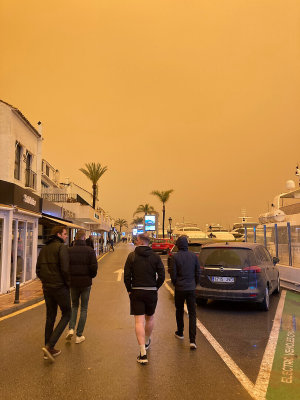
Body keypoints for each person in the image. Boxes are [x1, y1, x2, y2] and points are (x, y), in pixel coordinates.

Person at [124, 233, 165, 364]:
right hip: (151, 292)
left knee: (138, 322)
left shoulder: (132, 256)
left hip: (136, 291)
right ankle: (147, 340)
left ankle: (142, 353)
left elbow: (127, 277)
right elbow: (162, 275)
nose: (136, 242)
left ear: (141, 241)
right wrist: (155, 287)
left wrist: (130, 290)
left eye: (137, 240)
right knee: (150, 318)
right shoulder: (155, 257)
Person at [36, 225, 71, 362]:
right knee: (67, 313)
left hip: (47, 287)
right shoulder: (61, 248)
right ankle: (50, 345)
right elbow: (65, 269)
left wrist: (45, 281)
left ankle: (48, 349)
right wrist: (67, 284)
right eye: (65, 233)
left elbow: (37, 270)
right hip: (59, 287)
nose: (66, 236)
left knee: (50, 316)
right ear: (58, 234)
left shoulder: (44, 249)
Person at [168, 235, 200, 350]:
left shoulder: (175, 257)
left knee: (179, 310)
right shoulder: (194, 256)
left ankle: (180, 332)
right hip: (191, 288)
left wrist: (176, 283)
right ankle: (192, 340)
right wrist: (194, 283)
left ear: (178, 245)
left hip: (180, 288)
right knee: (192, 313)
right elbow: (198, 272)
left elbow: (173, 273)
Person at [66, 230, 98, 343]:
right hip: (86, 283)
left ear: (75, 238)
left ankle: (71, 328)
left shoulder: (69, 250)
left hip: (73, 283)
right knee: (84, 308)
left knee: (74, 306)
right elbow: (94, 267)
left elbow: (65, 266)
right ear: (84, 238)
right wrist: (90, 276)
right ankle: (79, 335)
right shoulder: (90, 251)